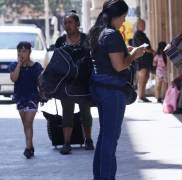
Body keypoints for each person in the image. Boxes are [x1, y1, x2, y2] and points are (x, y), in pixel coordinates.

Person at [87, 0, 146, 179]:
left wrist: (126, 51)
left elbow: (108, 57)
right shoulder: (112, 34)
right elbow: (119, 65)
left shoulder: (98, 31)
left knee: (105, 136)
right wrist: (134, 55)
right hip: (112, 90)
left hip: (99, 87)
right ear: (116, 16)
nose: (124, 21)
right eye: (123, 17)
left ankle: (100, 176)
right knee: (110, 139)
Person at [54, 10, 94, 154]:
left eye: (70, 22)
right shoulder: (60, 41)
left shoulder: (86, 40)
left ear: (77, 23)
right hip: (67, 84)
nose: (67, 25)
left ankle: (88, 139)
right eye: (65, 23)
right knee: (67, 113)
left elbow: (92, 60)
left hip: (84, 83)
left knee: (85, 113)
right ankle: (66, 143)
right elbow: (55, 62)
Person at [9, 41, 43, 159]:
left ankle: (28, 148)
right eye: (19, 51)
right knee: (26, 124)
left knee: (28, 122)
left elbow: (41, 83)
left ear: (29, 52)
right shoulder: (14, 65)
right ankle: (30, 145)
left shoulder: (36, 66)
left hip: (32, 98)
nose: (21, 53)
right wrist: (19, 64)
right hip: (20, 98)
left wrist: (44, 94)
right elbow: (14, 78)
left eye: (24, 51)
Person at [133, 18, 155, 103]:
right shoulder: (137, 34)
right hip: (141, 60)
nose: (144, 26)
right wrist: (151, 51)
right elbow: (142, 47)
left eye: (144, 24)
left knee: (146, 77)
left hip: (146, 59)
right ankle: (140, 96)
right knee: (142, 77)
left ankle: (143, 95)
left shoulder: (142, 34)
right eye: (142, 24)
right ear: (138, 26)